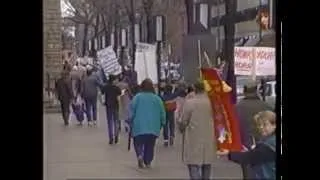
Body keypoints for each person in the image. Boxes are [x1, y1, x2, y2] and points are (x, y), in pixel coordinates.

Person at [217, 110, 276, 180]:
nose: (261, 127)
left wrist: (229, 153)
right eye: (259, 125)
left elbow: (250, 157)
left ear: (274, 125)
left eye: (265, 124)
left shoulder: (270, 144)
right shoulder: (268, 141)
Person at [178, 81, 217, 180]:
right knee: (207, 163)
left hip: (193, 137)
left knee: (193, 163)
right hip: (209, 136)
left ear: (194, 89)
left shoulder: (190, 103)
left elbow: (184, 120)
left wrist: (181, 128)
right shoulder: (212, 103)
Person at [236, 80, 274, 179]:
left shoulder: (237, 107)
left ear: (244, 91)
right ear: (256, 90)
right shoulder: (266, 105)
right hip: (264, 142)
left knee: (247, 167)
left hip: (244, 142)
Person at [129, 78, 166, 168]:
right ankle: (148, 161)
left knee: (137, 142)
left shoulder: (137, 97)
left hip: (139, 126)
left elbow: (131, 111)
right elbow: (162, 113)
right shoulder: (157, 99)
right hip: (153, 127)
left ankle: (140, 155)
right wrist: (163, 123)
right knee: (150, 145)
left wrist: (130, 121)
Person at [102, 75, 122, 145]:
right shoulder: (116, 88)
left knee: (110, 122)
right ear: (113, 80)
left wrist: (103, 101)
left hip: (108, 106)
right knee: (116, 121)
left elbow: (102, 93)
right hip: (115, 106)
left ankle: (111, 138)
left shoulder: (106, 87)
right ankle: (116, 136)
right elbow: (119, 96)